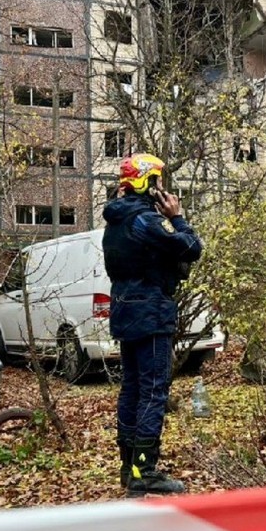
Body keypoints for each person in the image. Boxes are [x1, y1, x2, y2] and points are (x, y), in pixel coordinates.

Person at [102, 153, 203, 497]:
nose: (163, 187)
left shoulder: (116, 221)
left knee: (131, 389)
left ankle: (128, 468)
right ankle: (144, 471)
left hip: (125, 309)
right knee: (153, 391)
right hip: (151, 311)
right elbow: (191, 248)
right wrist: (178, 218)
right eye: (158, 181)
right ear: (148, 183)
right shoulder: (145, 220)